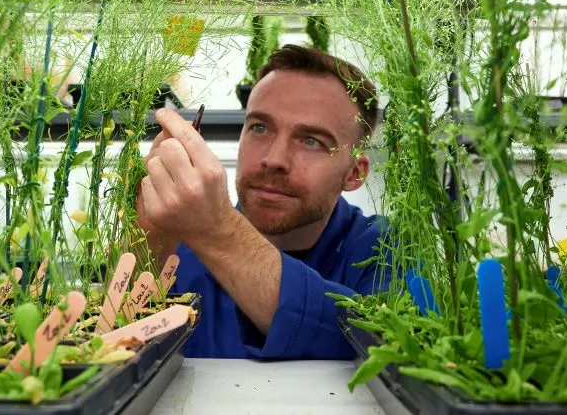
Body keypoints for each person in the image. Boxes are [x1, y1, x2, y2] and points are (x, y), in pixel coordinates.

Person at [135, 44, 391, 359]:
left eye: (311, 140)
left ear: (354, 173)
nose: (273, 159)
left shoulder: (385, 250)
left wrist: (218, 231)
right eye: (259, 128)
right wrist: (146, 238)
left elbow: (385, 345)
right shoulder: (181, 246)